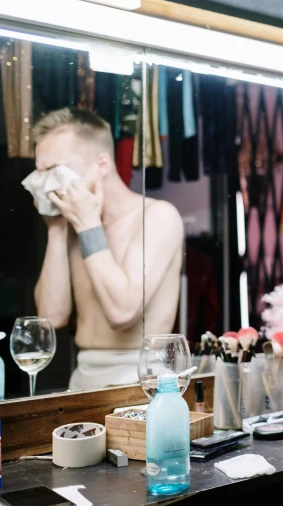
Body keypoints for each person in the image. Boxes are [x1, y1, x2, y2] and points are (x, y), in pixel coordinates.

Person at [31, 107, 183, 391]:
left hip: (140, 379)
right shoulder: (74, 227)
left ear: (101, 164)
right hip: (83, 377)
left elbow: (122, 312)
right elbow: (51, 319)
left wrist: (88, 225)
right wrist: (56, 229)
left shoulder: (158, 216)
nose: (46, 185)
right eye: (41, 173)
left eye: (55, 170)